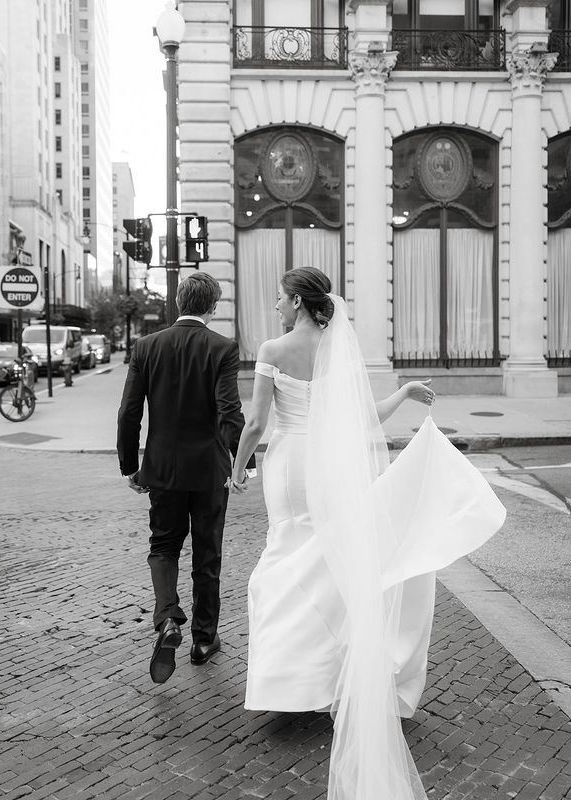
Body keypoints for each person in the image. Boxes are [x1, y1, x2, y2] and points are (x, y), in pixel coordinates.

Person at [229, 267, 505, 800]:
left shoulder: (272, 348)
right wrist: (402, 392)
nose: (276, 309)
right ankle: (332, 676)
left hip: (289, 467)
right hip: (332, 468)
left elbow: (258, 424)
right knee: (329, 561)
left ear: (301, 303)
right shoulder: (339, 352)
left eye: (281, 300)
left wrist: (239, 468)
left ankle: (290, 678)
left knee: (285, 559)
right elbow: (361, 420)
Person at [117, 272, 255, 685]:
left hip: (161, 469)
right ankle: (202, 640)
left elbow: (129, 413)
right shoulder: (222, 348)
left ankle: (167, 619)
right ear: (213, 307)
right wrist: (243, 462)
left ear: (178, 301)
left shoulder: (146, 346)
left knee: (163, 545)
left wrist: (130, 466)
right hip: (210, 470)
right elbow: (229, 411)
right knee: (207, 553)